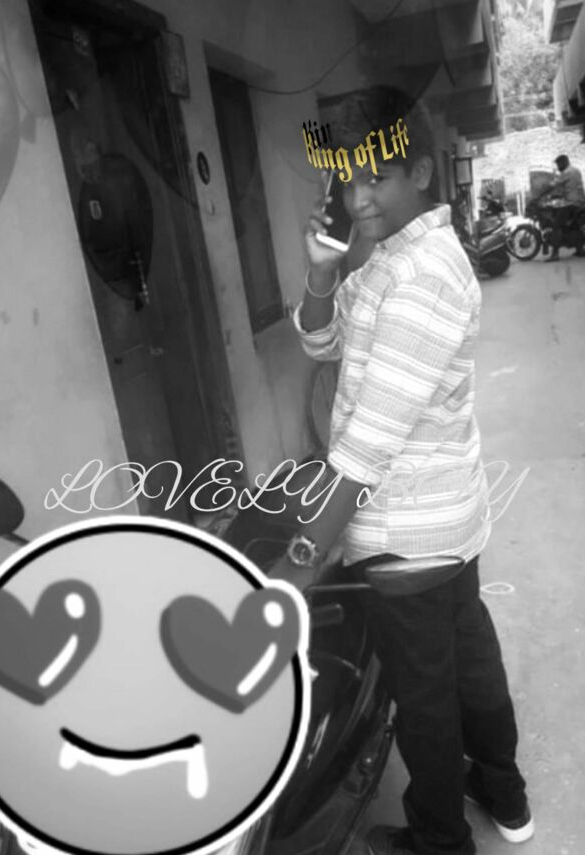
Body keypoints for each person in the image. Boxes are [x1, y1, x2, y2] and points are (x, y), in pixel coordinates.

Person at [270, 86, 533, 855]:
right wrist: (322, 269)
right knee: (471, 662)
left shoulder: (420, 277)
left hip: (403, 534)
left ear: (420, 172)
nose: (359, 199)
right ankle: (504, 791)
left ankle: (440, 839)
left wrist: (300, 558)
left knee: (425, 698)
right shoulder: (390, 262)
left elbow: (365, 449)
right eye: (348, 181)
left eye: (376, 178)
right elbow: (320, 340)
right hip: (446, 521)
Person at [545, 154, 585, 260]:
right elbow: (571, 188)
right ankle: (580, 250)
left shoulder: (566, 172)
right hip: (580, 202)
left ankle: (555, 254)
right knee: (574, 226)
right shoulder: (576, 170)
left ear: (565, 162)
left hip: (571, 204)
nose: (558, 167)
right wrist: (557, 195)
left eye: (559, 164)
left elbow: (552, 185)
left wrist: (540, 194)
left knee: (556, 225)